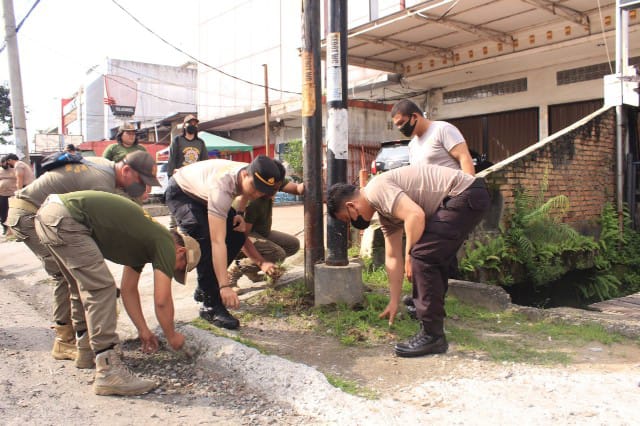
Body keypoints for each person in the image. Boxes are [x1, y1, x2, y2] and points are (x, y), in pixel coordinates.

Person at [35, 190, 200, 396]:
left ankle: (86, 351)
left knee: (80, 286)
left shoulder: (142, 241)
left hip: (49, 215)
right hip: (66, 218)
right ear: (181, 252)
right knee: (103, 289)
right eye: (179, 267)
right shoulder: (165, 241)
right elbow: (162, 300)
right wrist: (172, 336)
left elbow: (129, 291)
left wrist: (143, 330)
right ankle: (109, 370)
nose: (173, 270)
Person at [6, 150, 159, 365]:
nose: (144, 187)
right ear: (126, 170)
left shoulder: (103, 167)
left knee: (76, 276)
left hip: (37, 212)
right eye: (141, 181)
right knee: (67, 276)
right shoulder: (101, 181)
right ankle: (65, 340)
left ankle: (83, 343)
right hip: (29, 214)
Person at [327, 164, 490, 357]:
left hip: (464, 194)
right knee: (432, 255)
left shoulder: (376, 190)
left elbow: (415, 215)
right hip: (467, 196)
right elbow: (392, 257)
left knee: (422, 256)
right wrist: (394, 301)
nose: (353, 224)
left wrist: (410, 255)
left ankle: (433, 335)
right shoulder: (384, 211)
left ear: (351, 206)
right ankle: (426, 312)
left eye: (348, 219)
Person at [164, 155, 282, 329]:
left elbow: (247, 194)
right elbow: (217, 242)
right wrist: (224, 286)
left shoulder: (251, 173)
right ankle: (210, 306)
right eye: (256, 188)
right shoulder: (222, 188)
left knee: (237, 234)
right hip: (183, 193)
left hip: (205, 194)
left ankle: (206, 287)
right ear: (245, 175)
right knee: (203, 240)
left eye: (262, 191)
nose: (257, 194)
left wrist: (240, 214)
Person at [228, 162, 303, 286]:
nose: (274, 192)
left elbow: (297, 189)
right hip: (242, 237)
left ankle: (251, 270)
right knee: (277, 253)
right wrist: (261, 263)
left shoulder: (274, 182)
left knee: (293, 244)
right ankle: (234, 272)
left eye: (277, 188)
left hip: (262, 233)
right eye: (271, 189)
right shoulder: (252, 200)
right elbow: (241, 238)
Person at [390, 99, 475, 175]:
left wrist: (470, 188)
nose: (400, 128)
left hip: (453, 191)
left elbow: (464, 158)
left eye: (401, 123)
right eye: (397, 125)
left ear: (414, 117)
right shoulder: (412, 145)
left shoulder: (442, 129)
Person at [166, 114, 208, 230]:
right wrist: (171, 177)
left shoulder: (200, 143)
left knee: (195, 204)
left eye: (195, 123)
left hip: (195, 180)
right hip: (180, 179)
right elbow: (171, 160)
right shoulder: (177, 141)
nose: (192, 125)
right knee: (177, 203)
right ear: (184, 126)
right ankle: (173, 229)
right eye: (190, 123)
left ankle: (191, 228)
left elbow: (205, 162)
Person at [0, 156, 17, 235]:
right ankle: (5, 228)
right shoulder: (0, 170)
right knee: (3, 212)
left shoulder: (14, 170)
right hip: (2, 195)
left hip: (13, 194)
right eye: (2, 163)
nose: (3, 164)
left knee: (12, 212)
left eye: (5, 162)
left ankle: (14, 230)